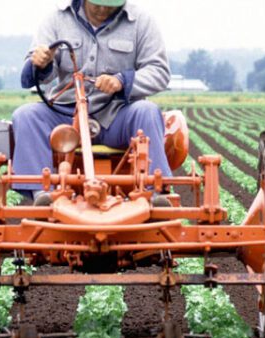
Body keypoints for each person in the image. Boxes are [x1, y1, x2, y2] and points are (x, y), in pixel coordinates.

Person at [13, 0, 172, 205]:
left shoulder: (141, 22)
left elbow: (159, 72)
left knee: (147, 111)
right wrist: (40, 63)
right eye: (97, 4)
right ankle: (42, 194)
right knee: (26, 115)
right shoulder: (57, 19)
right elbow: (31, 77)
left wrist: (121, 81)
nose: (103, 9)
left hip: (117, 115)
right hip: (67, 117)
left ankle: (155, 192)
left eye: (110, 5)